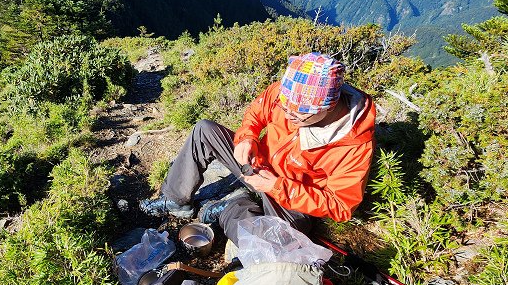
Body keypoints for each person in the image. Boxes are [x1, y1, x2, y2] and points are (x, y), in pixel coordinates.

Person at [140, 52, 376, 255]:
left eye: (298, 115)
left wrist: (277, 186)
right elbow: (257, 113)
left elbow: (341, 206)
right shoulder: (290, 89)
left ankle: (233, 208)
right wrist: (247, 138)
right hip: (258, 163)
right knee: (205, 130)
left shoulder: (352, 144)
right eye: (285, 107)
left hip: (290, 199)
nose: (288, 115)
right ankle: (176, 200)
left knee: (272, 245)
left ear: (328, 107)